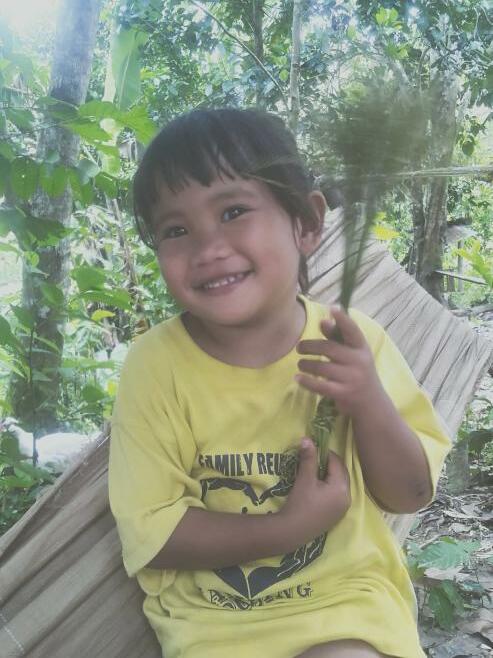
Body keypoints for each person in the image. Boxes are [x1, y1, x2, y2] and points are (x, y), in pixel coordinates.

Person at [108, 108, 451, 658]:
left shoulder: (353, 343)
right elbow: (153, 534)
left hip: (345, 608)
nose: (207, 247)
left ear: (307, 224)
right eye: (176, 230)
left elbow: (409, 494)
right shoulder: (156, 366)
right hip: (214, 630)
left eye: (233, 211)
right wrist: (287, 529)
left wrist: (368, 401)